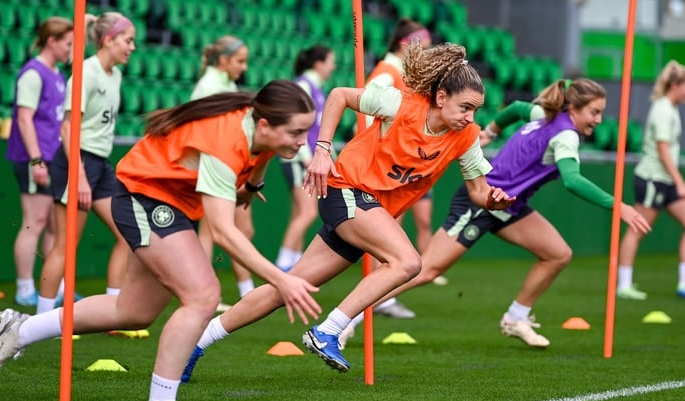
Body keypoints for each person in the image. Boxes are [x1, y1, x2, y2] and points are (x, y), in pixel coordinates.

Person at [0, 80, 321, 401]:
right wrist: (282, 279)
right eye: (296, 132)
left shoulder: (260, 131)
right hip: (145, 197)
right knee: (203, 296)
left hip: (170, 201)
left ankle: (20, 330)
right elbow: (223, 232)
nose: (302, 141)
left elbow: (261, 156)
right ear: (264, 124)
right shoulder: (224, 141)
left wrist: (250, 187)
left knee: (133, 312)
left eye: (306, 132)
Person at [182, 42, 514, 380]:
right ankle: (329, 330)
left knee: (285, 289)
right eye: (465, 107)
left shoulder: (466, 136)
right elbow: (340, 95)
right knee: (408, 262)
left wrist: (493, 200)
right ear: (441, 97)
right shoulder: (399, 104)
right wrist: (323, 152)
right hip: (346, 191)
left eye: (475, 110)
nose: (471, 117)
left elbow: (478, 191)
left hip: (367, 210)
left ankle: (195, 342)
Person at [340, 78, 653, 350]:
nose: (598, 120)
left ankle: (516, 318)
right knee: (426, 269)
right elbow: (571, 180)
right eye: (594, 112)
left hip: (509, 204)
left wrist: (490, 130)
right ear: (574, 109)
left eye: (601, 113)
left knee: (557, 253)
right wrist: (619, 206)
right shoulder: (567, 135)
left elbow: (516, 107)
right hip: (483, 199)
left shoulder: (543, 114)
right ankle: (348, 317)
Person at [36, 13, 134, 337]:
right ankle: (38, 322)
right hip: (75, 161)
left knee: (127, 236)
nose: (132, 47)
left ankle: (114, 313)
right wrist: (78, 176)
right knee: (66, 247)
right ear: (108, 40)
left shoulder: (115, 74)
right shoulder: (86, 72)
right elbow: (67, 127)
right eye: (127, 40)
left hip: (101, 163)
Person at [363, 18, 440, 321]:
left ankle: (378, 297)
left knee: (389, 230)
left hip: (398, 164)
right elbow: (366, 110)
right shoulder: (387, 72)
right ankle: (375, 299)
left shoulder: (401, 73)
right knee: (382, 232)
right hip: (384, 164)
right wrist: (380, 149)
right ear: (406, 44)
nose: (429, 50)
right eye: (424, 44)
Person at [617, 60, 685, 301]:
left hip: (666, 180)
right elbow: (662, 151)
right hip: (652, 179)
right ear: (675, 85)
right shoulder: (662, 109)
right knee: (637, 230)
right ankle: (624, 284)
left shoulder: (671, 108)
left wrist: (675, 182)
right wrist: (680, 183)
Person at [7, 17, 73, 307]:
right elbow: (24, 118)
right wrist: (36, 160)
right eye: (68, 43)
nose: (72, 49)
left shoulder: (57, 74)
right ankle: (24, 287)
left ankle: (53, 288)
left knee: (54, 227)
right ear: (52, 41)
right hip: (35, 157)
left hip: (52, 156)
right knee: (34, 221)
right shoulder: (33, 74)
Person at [191, 35, 254, 310]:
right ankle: (207, 293)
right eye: (240, 61)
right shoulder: (209, 86)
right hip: (212, 164)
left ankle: (245, 291)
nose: (244, 67)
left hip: (228, 163)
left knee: (238, 228)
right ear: (224, 60)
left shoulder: (226, 83)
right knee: (210, 231)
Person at [274, 45, 335, 272]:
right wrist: (306, 157)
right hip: (299, 158)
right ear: (318, 63)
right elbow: (294, 125)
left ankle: (293, 262)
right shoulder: (303, 86)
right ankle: (282, 265)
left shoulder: (316, 88)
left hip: (303, 157)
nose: (333, 66)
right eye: (330, 61)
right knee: (308, 212)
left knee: (300, 212)